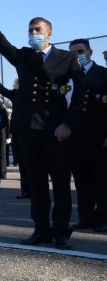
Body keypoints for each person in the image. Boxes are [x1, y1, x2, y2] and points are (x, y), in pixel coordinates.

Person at [0, 0, 84, 250]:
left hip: (55, 130)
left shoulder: (66, 58)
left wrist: (68, 124)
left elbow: (80, 94)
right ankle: (41, 229)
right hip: (27, 130)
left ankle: (61, 231)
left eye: (37, 29)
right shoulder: (24, 56)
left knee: (60, 184)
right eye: (30, 30)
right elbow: (2, 44)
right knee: (36, 184)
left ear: (49, 33)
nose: (33, 33)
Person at [67, 38, 107, 233]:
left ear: (90, 52)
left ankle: (103, 218)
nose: (77, 56)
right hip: (76, 136)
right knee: (81, 180)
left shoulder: (103, 74)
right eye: (73, 53)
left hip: (99, 135)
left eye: (80, 51)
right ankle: (86, 217)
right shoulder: (68, 76)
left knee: (102, 179)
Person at [0, 69, 28, 199]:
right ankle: (25, 190)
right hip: (17, 131)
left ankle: (36, 190)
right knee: (22, 163)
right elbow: (2, 90)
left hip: (31, 131)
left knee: (33, 163)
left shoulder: (37, 92)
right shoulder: (16, 93)